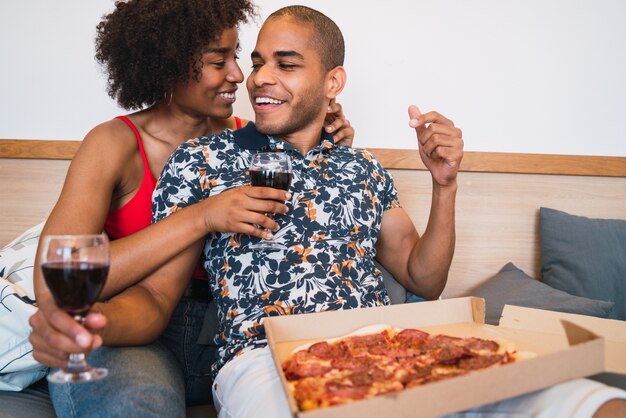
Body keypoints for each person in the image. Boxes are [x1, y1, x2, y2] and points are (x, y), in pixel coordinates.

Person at [15, 1, 354, 417]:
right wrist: (201, 215)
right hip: (135, 325)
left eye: (236, 58)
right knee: (136, 405)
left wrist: (326, 130)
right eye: (218, 61)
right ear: (167, 65)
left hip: (230, 332)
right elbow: (56, 284)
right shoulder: (113, 144)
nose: (237, 75)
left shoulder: (253, 140)